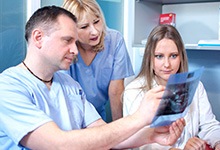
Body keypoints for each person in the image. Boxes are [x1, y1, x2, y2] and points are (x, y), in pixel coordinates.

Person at [0, 6, 186, 150]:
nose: (75, 50)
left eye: (75, 41)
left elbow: (103, 133)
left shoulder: (69, 85)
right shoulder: (8, 88)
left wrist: (152, 135)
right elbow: (58, 144)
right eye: (67, 40)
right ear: (39, 38)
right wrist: (139, 118)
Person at [123, 24, 220, 150]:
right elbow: (136, 140)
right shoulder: (134, 91)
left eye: (173, 56)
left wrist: (218, 142)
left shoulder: (196, 87)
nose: (167, 64)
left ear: (181, 57)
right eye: (159, 56)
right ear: (149, 59)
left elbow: (210, 126)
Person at [62, 0, 134, 121]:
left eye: (97, 21)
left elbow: (115, 91)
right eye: (84, 26)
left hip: (98, 115)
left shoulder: (114, 40)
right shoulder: (64, 49)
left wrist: (119, 132)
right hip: (70, 116)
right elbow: (66, 97)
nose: (95, 31)